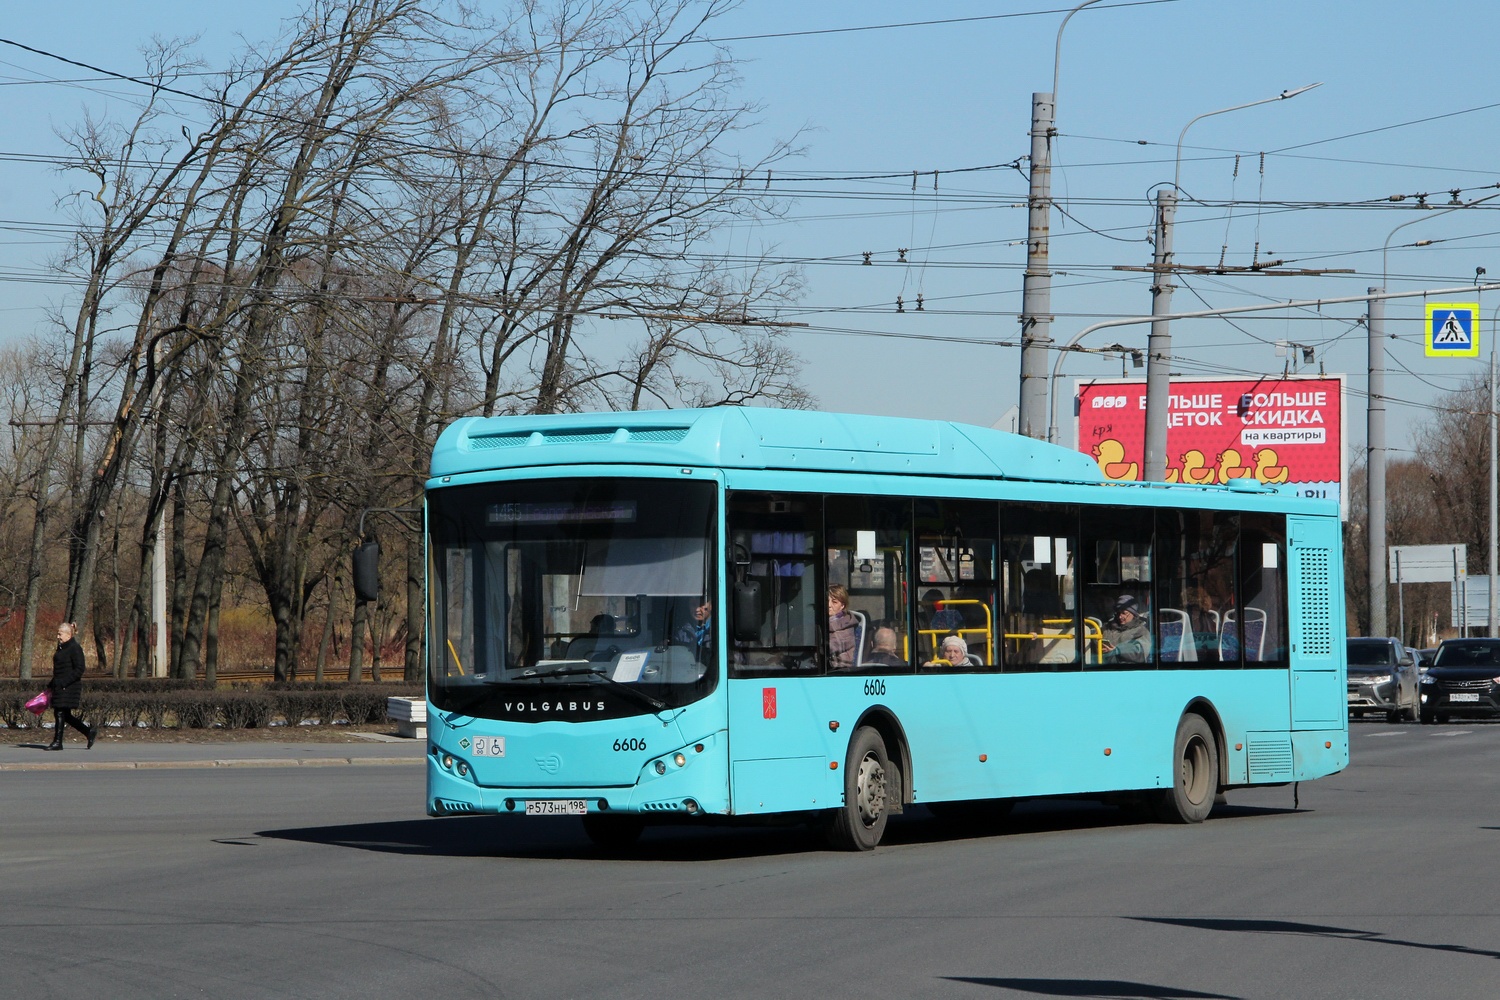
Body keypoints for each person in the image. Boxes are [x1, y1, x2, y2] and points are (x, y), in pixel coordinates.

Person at [45, 622, 95, 751]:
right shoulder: (62, 648)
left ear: (68, 634)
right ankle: (88, 732)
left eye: (60, 634)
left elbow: (79, 669)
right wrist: (52, 683)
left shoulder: (75, 648)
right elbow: (60, 669)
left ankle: (57, 742)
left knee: (60, 712)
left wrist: (64, 682)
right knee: (64, 714)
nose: (58, 636)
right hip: (60, 685)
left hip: (69, 686)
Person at [1100, 595, 1151, 664]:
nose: (1120, 616)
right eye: (1118, 613)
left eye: (1124, 613)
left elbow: (1140, 651)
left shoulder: (1141, 630)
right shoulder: (1108, 627)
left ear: (1133, 614)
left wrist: (1118, 650)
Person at [827, 585, 859, 670]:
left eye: (834, 602)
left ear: (842, 606)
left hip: (840, 670)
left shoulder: (847, 624)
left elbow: (831, 647)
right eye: (826, 601)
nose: (829, 605)